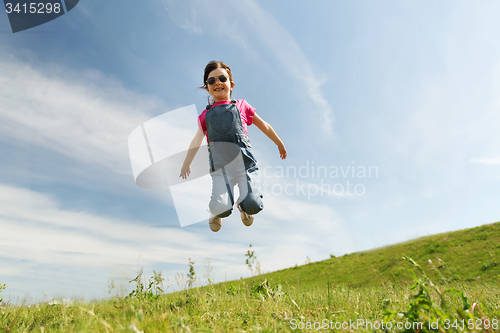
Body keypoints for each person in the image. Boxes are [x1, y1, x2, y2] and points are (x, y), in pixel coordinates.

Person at [180, 60, 287, 232]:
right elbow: (196, 141)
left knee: (254, 204)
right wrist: (186, 163)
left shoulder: (242, 106)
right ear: (207, 88)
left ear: (231, 84)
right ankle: (215, 211)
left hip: (244, 165)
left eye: (222, 78)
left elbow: (264, 125)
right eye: (211, 81)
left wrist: (278, 142)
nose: (217, 83)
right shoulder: (205, 115)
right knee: (221, 207)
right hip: (222, 168)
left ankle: (244, 207)